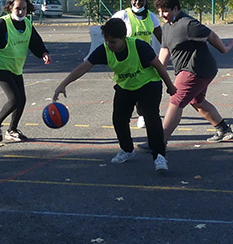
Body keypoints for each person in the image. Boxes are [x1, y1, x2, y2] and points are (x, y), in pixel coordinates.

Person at [53, 18, 174, 173]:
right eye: (107, 41)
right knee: (118, 119)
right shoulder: (105, 49)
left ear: (124, 38)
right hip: (126, 86)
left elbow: (159, 66)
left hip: (148, 84)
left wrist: (171, 86)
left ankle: (159, 156)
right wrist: (63, 84)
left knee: (151, 118)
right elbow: (84, 67)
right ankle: (127, 149)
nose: (110, 45)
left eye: (113, 42)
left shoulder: (139, 47)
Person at [154, 0, 233, 147]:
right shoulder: (167, 27)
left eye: (166, 11)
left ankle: (159, 141)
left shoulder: (188, 24)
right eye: (160, 11)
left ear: (176, 8)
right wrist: (157, 72)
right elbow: (165, 50)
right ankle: (223, 129)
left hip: (197, 69)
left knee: (176, 99)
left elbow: (211, 36)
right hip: (189, 69)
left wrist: (224, 49)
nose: (163, 15)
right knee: (197, 101)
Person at [0, 0, 51, 143]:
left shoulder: (27, 24)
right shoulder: (1, 24)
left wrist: (43, 53)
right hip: (0, 66)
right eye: (17, 8)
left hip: (15, 67)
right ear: (10, 8)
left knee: (21, 99)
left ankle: (12, 130)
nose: (21, 12)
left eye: (24, 8)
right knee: (14, 98)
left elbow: (35, 42)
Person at [112, 0, 163, 127]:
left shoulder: (151, 17)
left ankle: (142, 114)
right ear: (131, 1)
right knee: (128, 88)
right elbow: (110, 31)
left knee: (144, 87)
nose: (137, 2)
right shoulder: (123, 15)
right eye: (135, 0)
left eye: (140, 0)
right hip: (127, 58)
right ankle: (130, 114)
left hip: (145, 58)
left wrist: (168, 50)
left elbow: (161, 37)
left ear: (146, 1)